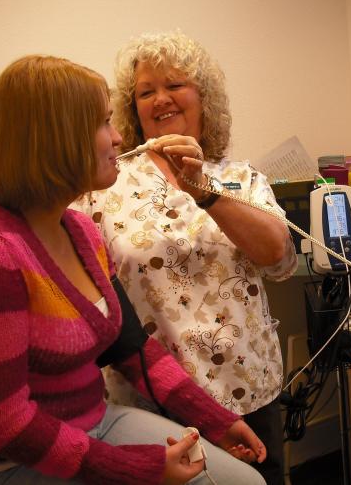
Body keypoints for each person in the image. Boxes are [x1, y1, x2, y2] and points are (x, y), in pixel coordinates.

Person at [0, 54, 267, 485]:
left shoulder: (79, 230)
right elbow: (3, 424)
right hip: (1, 462)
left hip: (94, 423)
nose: (118, 138)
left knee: (244, 482)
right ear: (53, 139)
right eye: (103, 123)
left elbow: (132, 349)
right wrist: (136, 469)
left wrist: (215, 420)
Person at [73, 31, 298, 484]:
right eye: (145, 92)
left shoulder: (239, 177)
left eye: (174, 85)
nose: (161, 99)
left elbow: (278, 257)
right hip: (154, 401)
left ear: (203, 96)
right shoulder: (102, 184)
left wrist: (207, 194)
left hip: (249, 387)